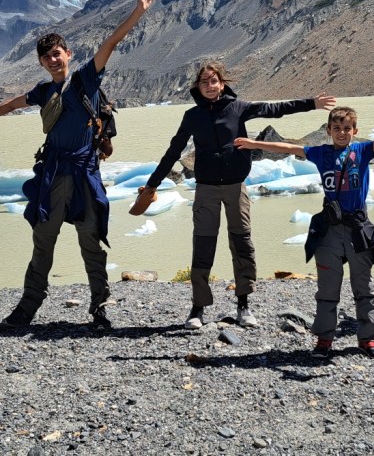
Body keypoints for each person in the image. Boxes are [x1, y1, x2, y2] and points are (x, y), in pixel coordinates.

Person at [0, 0, 158, 330]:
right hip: (53, 174)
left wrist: (138, 11)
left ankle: (100, 306)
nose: (53, 60)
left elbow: (110, 43)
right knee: (43, 241)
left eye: (57, 54)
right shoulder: (43, 91)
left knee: (90, 241)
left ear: (68, 53)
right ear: (41, 63)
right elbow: (11, 105)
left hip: (84, 174)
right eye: (46, 57)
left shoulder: (86, 80)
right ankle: (27, 307)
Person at [135, 62, 335, 330]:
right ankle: (198, 308)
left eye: (213, 81)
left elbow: (275, 109)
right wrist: (152, 184)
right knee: (203, 246)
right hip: (206, 189)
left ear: (222, 84)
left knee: (242, 244)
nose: (209, 86)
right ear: (198, 87)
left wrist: (311, 103)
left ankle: (244, 305)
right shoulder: (192, 116)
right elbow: (173, 151)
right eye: (204, 82)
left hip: (235, 187)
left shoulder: (238, 108)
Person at [235, 106, 374, 359]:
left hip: (358, 228)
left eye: (347, 128)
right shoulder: (321, 153)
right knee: (327, 288)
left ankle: (368, 339)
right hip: (330, 230)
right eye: (336, 128)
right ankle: (324, 339)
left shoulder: (362, 151)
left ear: (355, 131)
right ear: (328, 130)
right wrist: (253, 144)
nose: (342, 133)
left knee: (364, 287)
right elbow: (289, 148)